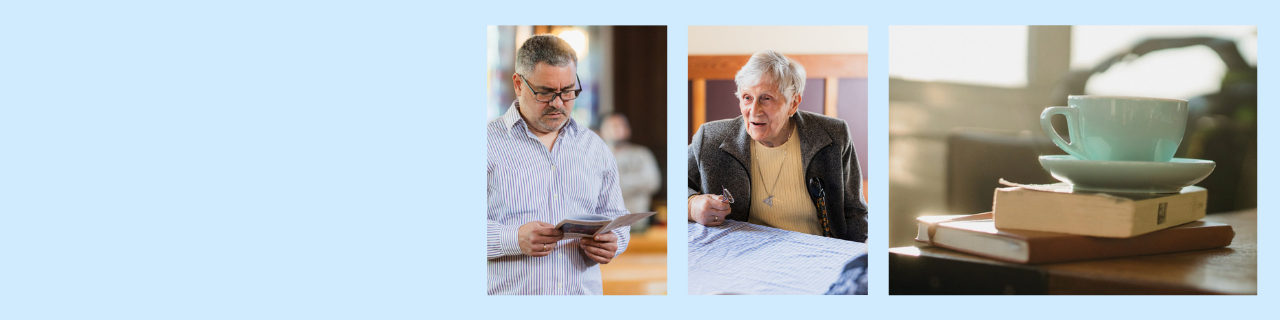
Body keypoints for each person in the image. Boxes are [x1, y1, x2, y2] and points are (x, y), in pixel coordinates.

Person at [487, 34, 630, 295]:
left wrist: (614, 242)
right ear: (518, 84)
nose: (558, 103)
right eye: (545, 92)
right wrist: (513, 239)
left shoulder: (595, 148)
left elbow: (617, 220)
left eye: (568, 92)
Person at [687, 50, 868, 242]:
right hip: (739, 257)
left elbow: (855, 213)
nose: (754, 111)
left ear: (793, 103)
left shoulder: (833, 135)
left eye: (766, 98)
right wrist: (691, 206)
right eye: (747, 97)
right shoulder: (711, 139)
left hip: (816, 255)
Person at [600, 113, 662, 233]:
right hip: (607, 225)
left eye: (622, 125)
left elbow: (652, 182)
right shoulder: (597, 156)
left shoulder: (642, 154)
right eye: (613, 126)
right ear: (602, 130)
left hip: (637, 222)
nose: (619, 129)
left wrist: (614, 183)